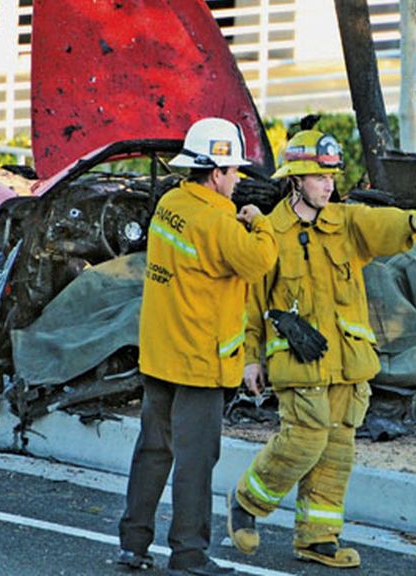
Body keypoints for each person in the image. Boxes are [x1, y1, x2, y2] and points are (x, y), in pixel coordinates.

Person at [227, 129, 416, 568]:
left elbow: (378, 223)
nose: (328, 185)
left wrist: (412, 221)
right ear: (296, 181)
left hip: (347, 364)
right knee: (304, 441)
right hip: (298, 363)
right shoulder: (270, 232)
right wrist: (251, 358)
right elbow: (252, 305)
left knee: (336, 451)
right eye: (318, 177)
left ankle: (318, 537)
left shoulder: (345, 222)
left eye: (331, 177)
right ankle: (247, 502)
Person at [117, 117, 278, 576]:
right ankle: (188, 554)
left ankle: (133, 544)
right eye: (232, 172)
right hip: (200, 363)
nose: (237, 181)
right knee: (195, 463)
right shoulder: (218, 220)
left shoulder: (171, 203)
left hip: (161, 354)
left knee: (153, 450)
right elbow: (259, 262)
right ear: (214, 173)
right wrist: (260, 224)